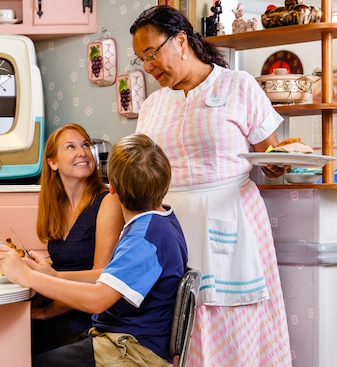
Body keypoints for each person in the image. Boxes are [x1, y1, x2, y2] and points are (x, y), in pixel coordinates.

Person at [130, 5, 292, 366]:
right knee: (179, 325)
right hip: (171, 228)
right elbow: (141, 170)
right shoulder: (153, 105)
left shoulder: (238, 85)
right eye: (141, 59)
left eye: (152, 54)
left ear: (182, 41)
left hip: (231, 222)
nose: (149, 67)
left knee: (234, 323)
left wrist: (280, 163)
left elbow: (273, 158)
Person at [0, 133, 188, 367]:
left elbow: (98, 299)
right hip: (122, 342)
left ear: (113, 188)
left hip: (132, 351)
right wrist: (52, 275)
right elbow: (109, 281)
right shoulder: (160, 222)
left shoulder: (144, 237)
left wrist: (27, 276)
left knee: (28, 361)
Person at [29, 123, 124, 355]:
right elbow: (67, 263)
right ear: (52, 163)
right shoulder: (56, 207)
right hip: (64, 305)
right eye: (70, 147)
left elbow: (102, 276)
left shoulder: (107, 201)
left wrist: (48, 309)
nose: (82, 152)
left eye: (85, 145)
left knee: (25, 336)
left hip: (91, 316)